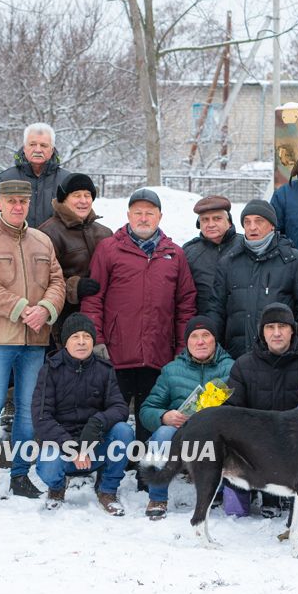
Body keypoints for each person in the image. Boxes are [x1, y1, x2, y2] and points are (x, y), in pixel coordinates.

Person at [0, 179, 66, 503]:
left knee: (27, 411)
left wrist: (47, 309)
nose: (17, 206)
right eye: (11, 201)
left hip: (35, 339)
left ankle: (20, 476)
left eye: (23, 201)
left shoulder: (42, 241)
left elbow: (57, 282)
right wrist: (23, 308)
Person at [81, 188, 197, 444]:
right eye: (138, 213)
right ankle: (110, 470)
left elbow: (185, 306)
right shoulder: (109, 249)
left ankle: (147, 471)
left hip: (158, 353)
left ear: (159, 217)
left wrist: (181, 348)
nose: (143, 218)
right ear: (128, 215)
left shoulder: (175, 254)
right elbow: (93, 299)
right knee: (114, 415)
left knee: (150, 415)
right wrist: (96, 340)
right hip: (116, 352)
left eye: (149, 213)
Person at [225, 303, 298, 516]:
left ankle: (291, 494)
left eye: (282, 326)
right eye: (270, 327)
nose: (276, 333)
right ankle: (258, 495)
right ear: (262, 331)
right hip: (257, 438)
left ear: (293, 330)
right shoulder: (244, 365)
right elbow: (232, 408)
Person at [32, 313, 135, 515]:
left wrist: (97, 423)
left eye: (86, 337)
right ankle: (57, 487)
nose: (81, 342)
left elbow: (119, 407)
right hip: (63, 446)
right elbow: (41, 417)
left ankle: (107, 490)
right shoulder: (50, 370)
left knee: (124, 431)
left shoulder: (104, 369)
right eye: (75, 337)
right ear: (65, 342)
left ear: (93, 340)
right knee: (49, 467)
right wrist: (72, 447)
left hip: (94, 445)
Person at [138, 317, 234, 519]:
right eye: (194, 337)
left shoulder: (232, 368)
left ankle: (225, 493)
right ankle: (157, 497)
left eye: (206, 335)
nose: (200, 342)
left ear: (215, 340)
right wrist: (164, 416)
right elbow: (147, 409)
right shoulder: (171, 371)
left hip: (218, 436)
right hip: (181, 435)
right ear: (187, 342)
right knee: (163, 433)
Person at [207, 199, 298, 359]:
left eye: (258, 221)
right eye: (247, 222)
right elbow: (216, 309)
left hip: (281, 357)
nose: (252, 227)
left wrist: (296, 348)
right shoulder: (228, 262)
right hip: (236, 356)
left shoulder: (295, 261)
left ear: (272, 225)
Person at [36, 173, 113, 342]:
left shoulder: (104, 233)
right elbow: (40, 280)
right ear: (64, 199)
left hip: (101, 318)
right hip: (64, 320)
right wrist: (74, 287)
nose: (83, 201)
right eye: (76, 195)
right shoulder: (48, 233)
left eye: (87, 195)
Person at [0, 122, 71, 228]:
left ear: (52, 150)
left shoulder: (66, 181)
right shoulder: (5, 179)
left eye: (43, 145)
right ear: (24, 148)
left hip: (55, 244)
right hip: (14, 243)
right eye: (32, 144)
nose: (38, 150)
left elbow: (76, 221)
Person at [184, 195, 241, 312]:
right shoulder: (189, 252)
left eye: (217, 218)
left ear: (229, 222)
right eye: (205, 220)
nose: (210, 224)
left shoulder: (245, 246)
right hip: (204, 325)